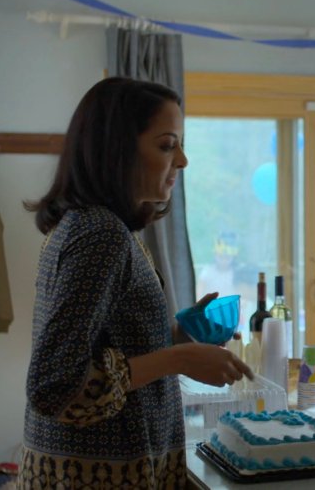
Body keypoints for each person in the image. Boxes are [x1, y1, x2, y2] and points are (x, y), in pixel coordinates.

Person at [19, 77, 253, 489]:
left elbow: (104, 347)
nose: (182, 160)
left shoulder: (99, 228)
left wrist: (177, 333)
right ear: (117, 150)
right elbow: (55, 386)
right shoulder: (99, 234)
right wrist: (180, 358)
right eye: (167, 145)